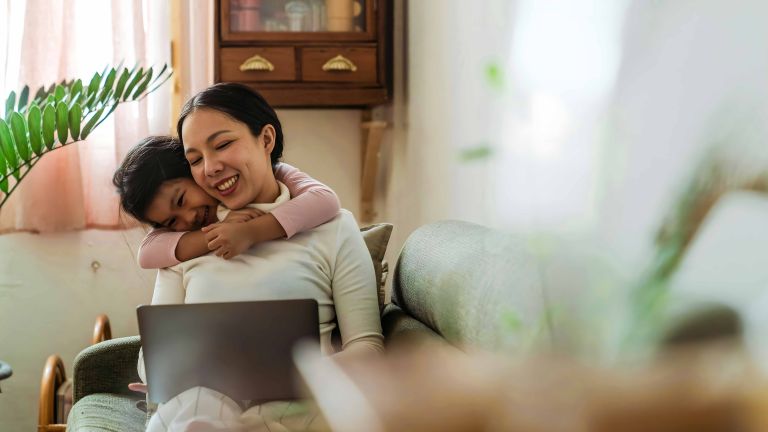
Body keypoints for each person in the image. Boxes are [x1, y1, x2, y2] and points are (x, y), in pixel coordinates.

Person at [116, 83, 383, 431]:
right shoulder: (180, 244)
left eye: (223, 144)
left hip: (303, 404)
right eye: (195, 159)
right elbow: (153, 360)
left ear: (266, 140)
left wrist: (307, 375)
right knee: (198, 408)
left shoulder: (332, 227)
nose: (210, 167)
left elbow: (368, 347)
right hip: (203, 407)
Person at [114, 136, 341, 266]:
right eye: (172, 222)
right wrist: (219, 232)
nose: (188, 218)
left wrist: (250, 232)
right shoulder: (189, 234)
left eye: (181, 200)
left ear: (193, 168)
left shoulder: (273, 172)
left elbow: (325, 200)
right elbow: (147, 254)